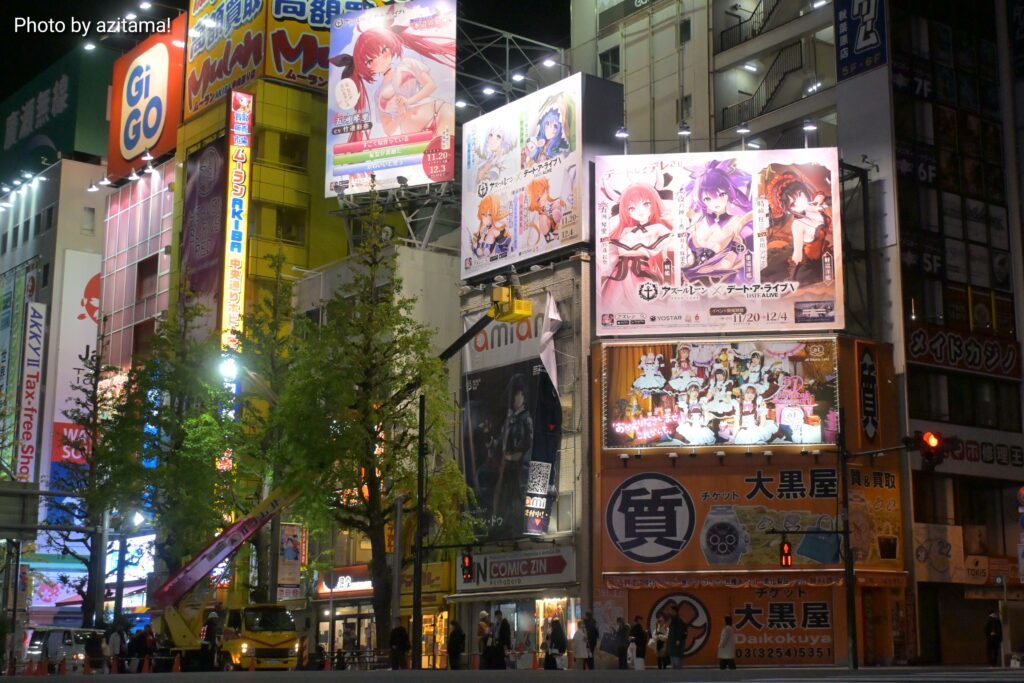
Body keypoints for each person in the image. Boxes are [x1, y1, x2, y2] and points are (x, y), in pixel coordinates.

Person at [331, 6, 456, 144]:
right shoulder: (378, 95)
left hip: (437, 112)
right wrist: (399, 116)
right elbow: (388, 129)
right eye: (370, 60)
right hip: (413, 135)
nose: (381, 58)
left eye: (384, 49)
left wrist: (409, 101)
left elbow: (431, 86)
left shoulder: (408, 63)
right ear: (365, 66)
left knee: (445, 151)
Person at [600, 182, 675, 310]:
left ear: (654, 204)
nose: (639, 211)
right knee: (608, 307)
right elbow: (612, 251)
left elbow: (673, 242)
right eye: (631, 208)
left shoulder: (658, 228)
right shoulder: (625, 230)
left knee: (647, 308)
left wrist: (671, 220)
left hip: (641, 271)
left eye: (646, 204)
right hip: (618, 273)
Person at [681, 159, 754, 286]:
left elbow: (729, 262)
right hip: (687, 287)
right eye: (708, 198)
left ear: (729, 192)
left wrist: (709, 269)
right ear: (701, 199)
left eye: (721, 195)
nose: (716, 202)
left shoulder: (737, 223)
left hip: (719, 287)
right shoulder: (697, 221)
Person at [667, 604, 688, 669]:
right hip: (673, 643)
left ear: (675, 612)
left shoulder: (678, 620)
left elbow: (680, 631)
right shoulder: (674, 620)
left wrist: (678, 640)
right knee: (674, 660)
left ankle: (678, 673)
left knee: (676, 661)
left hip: (676, 643)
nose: (670, 612)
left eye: (672, 611)